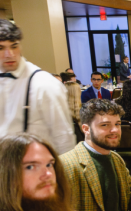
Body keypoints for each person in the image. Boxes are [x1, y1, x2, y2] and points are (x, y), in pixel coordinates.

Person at [60, 99, 131, 211]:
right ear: (86, 129)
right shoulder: (67, 165)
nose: (115, 130)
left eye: (117, 124)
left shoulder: (115, 158)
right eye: (105, 125)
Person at [0, 19, 75, 155]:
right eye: (1, 48)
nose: (9, 54)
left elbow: (64, 138)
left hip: (37, 168)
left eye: (14, 46)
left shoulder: (44, 84)